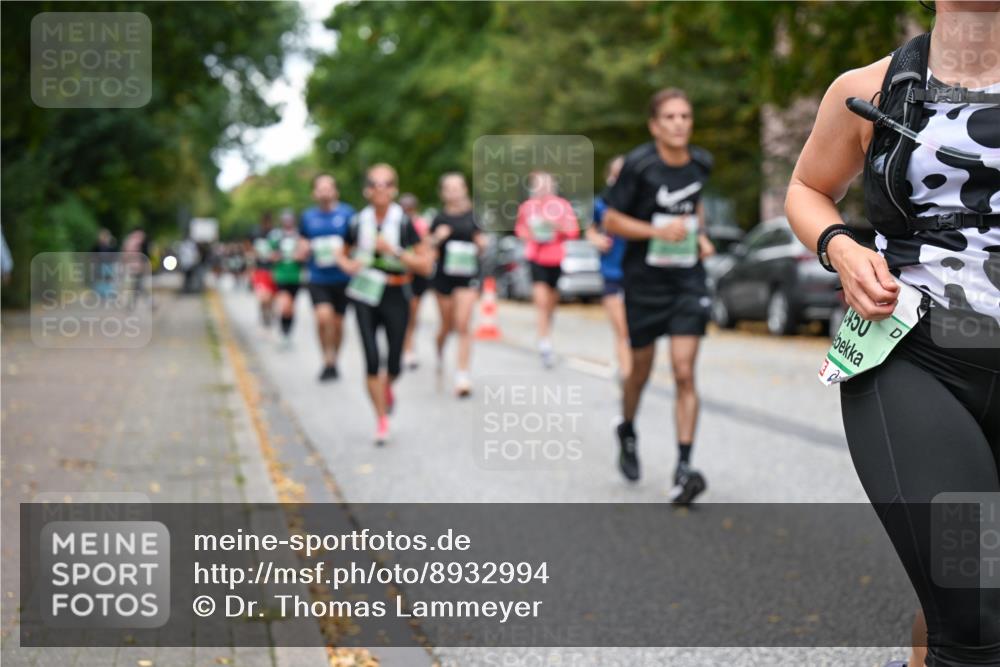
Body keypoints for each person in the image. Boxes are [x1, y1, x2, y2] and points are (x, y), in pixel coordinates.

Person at [786, 5, 1000, 666]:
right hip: (917, 354)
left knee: (963, 599)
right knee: (974, 609)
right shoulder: (875, 87)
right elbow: (806, 188)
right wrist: (842, 248)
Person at [603, 88, 717, 505]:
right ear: (654, 125)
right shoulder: (638, 166)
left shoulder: (701, 162)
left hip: (687, 278)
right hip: (644, 282)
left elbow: (694, 206)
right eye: (669, 117)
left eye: (685, 116)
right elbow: (612, 219)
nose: (678, 124)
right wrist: (655, 232)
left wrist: (699, 236)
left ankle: (683, 467)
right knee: (641, 372)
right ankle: (627, 428)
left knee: (684, 371)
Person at [335, 164, 433, 444]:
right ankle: (381, 419)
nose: (381, 189)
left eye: (387, 184)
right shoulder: (357, 222)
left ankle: (387, 387)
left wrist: (396, 251)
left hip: (395, 292)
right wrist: (349, 265)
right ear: (367, 190)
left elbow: (425, 265)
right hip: (365, 293)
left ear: (395, 189)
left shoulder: (404, 223)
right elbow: (340, 254)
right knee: (371, 360)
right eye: (376, 184)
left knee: (394, 365)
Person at [514, 170, 580, 368]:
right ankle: (545, 344)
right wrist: (528, 234)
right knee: (541, 302)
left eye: (546, 184)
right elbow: (520, 229)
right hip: (535, 257)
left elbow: (573, 231)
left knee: (551, 303)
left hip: (556, 258)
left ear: (553, 185)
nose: (542, 187)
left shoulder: (562, 206)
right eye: (538, 184)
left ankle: (546, 332)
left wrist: (555, 226)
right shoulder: (527, 207)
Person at [429, 172, 487, 397]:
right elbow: (427, 248)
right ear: (443, 193)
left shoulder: (474, 217)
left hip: (467, 276)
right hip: (444, 277)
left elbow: (483, 247)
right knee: (447, 325)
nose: (454, 191)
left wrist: (481, 244)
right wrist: (437, 238)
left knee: (463, 324)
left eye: (458, 187)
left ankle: (462, 375)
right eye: (449, 188)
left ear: (465, 189)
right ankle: (440, 347)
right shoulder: (438, 218)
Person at [299, 174, 355, 382]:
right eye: (320, 189)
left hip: (342, 277)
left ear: (335, 191)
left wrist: (347, 258)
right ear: (314, 193)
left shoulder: (348, 214)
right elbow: (303, 240)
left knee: (339, 324)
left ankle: (334, 359)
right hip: (318, 276)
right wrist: (303, 248)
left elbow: (356, 242)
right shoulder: (307, 216)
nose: (324, 192)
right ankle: (326, 358)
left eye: (328, 188)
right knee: (323, 319)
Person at [586, 155, 631, 380]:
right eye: (616, 174)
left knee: (634, 329)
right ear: (609, 176)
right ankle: (626, 374)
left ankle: (627, 368)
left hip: (638, 273)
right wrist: (597, 239)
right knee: (622, 329)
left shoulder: (641, 201)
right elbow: (590, 230)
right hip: (612, 271)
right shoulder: (601, 203)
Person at [400, 193, 431, 370]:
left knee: (412, 313)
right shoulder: (396, 224)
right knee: (403, 312)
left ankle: (409, 345)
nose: (407, 213)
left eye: (410, 209)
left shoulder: (421, 225)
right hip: (401, 274)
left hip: (417, 274)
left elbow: (426, 248)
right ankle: (405, 346)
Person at [271, 209, 307, 349]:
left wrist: (300, 256)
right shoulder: (277, 236)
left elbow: (306, 254)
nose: (287, 222)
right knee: (284, 306)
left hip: (295, 276)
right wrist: (277, 257)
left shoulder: (299, 236)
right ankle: (283, 333)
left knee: (291, 307)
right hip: (281, 275)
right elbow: (271, 255)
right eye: (285, 219)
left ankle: (288, 333)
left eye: (289, 219)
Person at [249, 212, 278, 331]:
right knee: (263, 297)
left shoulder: (275, 235)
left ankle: (269, 312)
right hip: (260, 270)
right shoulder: (256, 234)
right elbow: (250, 251)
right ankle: (264, 314)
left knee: (270, 297)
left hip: (273, 270)